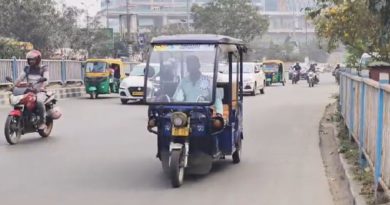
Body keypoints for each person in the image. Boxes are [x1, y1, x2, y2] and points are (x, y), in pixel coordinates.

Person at [15, 50, 49, 130]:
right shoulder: (27, 68)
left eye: (33, 59)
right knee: (19, 99)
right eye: (29, 59)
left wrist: (43, 86)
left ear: (38, 60)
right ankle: (24, 118)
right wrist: (14, 85)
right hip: (29, 90)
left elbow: (46, 79)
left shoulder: (43, 68)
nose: (31, 61)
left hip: (39, 91)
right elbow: (20, 78)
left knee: (39, 101)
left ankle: (42, 122)